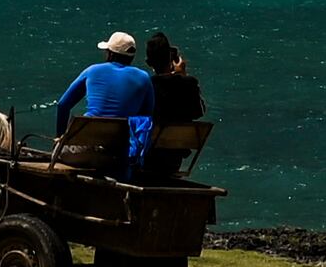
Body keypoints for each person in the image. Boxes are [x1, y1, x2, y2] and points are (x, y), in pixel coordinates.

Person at [51, 29, 157, 168]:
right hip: (118, 157)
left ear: (111, 54)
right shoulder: (144, 77)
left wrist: (60, 137)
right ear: (131, 56)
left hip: (83, 151)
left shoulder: (92, 70)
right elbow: (147, 116)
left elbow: (63, 105)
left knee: (58, 151)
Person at [138, 31, 209, 177]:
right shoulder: (189, 83)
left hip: (149, 155)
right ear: (172, 59)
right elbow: (199, 111)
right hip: (175, 155)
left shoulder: (146, 86)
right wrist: (183, 76)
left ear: (149, 63)